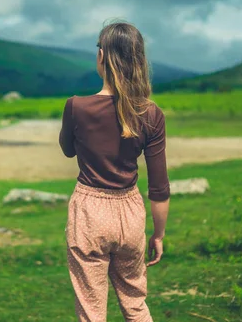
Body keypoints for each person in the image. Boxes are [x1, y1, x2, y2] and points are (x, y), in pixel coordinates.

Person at [59, 21, 170, 322]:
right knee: (135, 305)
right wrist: (158, 235)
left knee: (92, 311)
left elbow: (68, 149)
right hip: (130, 214)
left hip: (89, 213)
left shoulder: (76, 107)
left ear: (101, 57)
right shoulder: (151, 113)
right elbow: (159, 188)